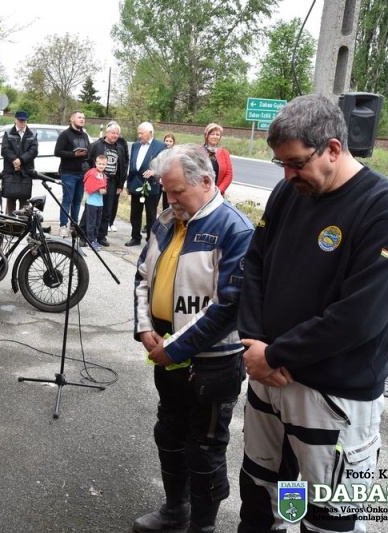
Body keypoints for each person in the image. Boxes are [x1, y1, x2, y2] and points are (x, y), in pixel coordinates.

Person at [237, 94, 388, 533]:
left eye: (296, 163)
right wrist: (256, 343)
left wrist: (275, 354)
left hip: (332, 397)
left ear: (334, 148)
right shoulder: (289, 192)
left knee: (328, 517)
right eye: (281, 163)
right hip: (269, 379)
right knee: (264, 497)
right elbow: (254, 264)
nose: (287, 174)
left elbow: (360, 316)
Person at [133, 144, 254, 533]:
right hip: (166, 354)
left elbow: (228, 307)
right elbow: (142, 276)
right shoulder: (167, 220)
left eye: (177, 191)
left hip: (213, 364)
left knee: (204, 449)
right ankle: (175, 511)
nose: (170, 200)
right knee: (168, 432)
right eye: (166, 191)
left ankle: (202, 527)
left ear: (205, 181)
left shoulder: (235, 229)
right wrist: (144, 327)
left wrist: (175, 348)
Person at [85, 121, 129, 246]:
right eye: (113, 133)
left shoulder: (119, 148)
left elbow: (123, 167)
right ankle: (86, 234)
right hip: (97, 181)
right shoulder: (97, 145)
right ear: (107, 132)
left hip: (112, 183)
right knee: (92, 209)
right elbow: (86, 162)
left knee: (107, 211)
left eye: (117, 134)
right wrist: (91, 177)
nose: (115, 135)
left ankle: (101, 236)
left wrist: (120, 185)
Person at [126, 122, 166, 246]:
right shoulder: (136, 145)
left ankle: (150, 239)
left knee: (151, 214)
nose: (139, 136)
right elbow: (132, 165)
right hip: (136, 183)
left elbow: (164, 165)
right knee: (135, 213)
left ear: (150, 133)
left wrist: (154, 172)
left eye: (141, 133)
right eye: (138, 133)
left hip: (151, 185)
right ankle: (135, 237)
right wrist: (129, 184)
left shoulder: (160, 146)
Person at [54, 110, 91, 237]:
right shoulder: (65, 134)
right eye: (79, 117)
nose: (82, 119)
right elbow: (57, 152)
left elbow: (89, 150)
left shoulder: (84, 135)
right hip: (68, 173)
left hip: (82, 173)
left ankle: (74, 224)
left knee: (78, 200)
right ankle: (63, 225)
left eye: (83, 118)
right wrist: (73, 154)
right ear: (72, 119)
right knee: (67, 199)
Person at [0, 110, 38, 215]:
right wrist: (14, 160)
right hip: (10, 172)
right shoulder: (8, 133)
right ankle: (9, 223)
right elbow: (5, 150)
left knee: (24, 204)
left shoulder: (32, 134)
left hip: (26, 172)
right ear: (15, 120)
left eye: (24, 121)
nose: (22, 123)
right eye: (20, 121)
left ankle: (23, 223)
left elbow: (33, 151)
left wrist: (20, 160)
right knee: (10, 201)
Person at [82, 154, 108, 251]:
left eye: (103, 164)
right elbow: (89, 185)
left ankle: (94, 240)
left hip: (99, 203)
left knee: (97, 223)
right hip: (92, 203)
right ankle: (90, 241)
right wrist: (99, 188)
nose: (101, 166)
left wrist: (102, 189)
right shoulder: (92, 173)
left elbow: (104, 189)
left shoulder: (103, 175)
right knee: (91, 223)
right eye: (99, 164)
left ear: (106, 165)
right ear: (96, 164)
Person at [202, 124, 233, 195]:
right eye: (212, 134)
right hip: (200, 193)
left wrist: (218, 191)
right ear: (206, 135)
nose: (215, 137)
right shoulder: (198, 151)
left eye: (217, 135)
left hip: (217, 193)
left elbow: (229, 174)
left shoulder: (225, 153)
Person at [161, 133, 177, 210]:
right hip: (159, 180)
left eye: (170, 141)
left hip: (169, 181)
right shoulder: (160, 151)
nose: (168, 143)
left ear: (173, 143)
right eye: (166, 141)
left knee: (166, 203)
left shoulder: (175, 153)